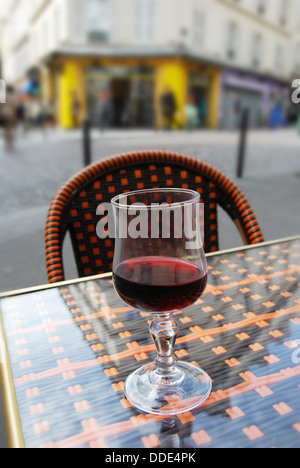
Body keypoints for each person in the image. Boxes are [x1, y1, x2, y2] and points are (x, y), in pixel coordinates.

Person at [0, 85, 17, 151]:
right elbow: (14, 105)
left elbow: (0, 105)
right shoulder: (11, 96)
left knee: (6, 129)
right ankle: (10, 142)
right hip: (10, 113)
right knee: (9, 128)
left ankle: (7, 143)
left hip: (3, 113)